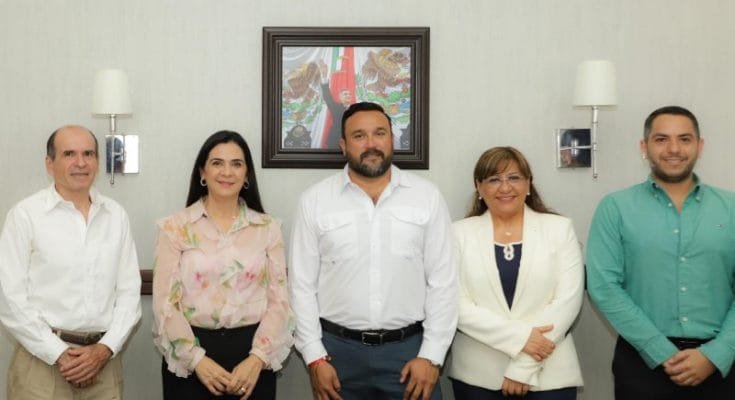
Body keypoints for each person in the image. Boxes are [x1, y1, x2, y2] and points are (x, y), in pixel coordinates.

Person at [289, 102, 457, 400]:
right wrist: (314, 357)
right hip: (336, 356)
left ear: (392, 139)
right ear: (343, 145)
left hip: (411, 355)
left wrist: (432, 356)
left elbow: (444, 282)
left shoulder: (426, 197)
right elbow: (300, 285)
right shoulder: (314, 201)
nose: (371, 144)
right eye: (359, 136)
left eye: (379, 133)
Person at [586, 105, 735, 399]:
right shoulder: (615, 208)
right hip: (642, 364)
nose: (674, 149)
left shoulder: (731, 208)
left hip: (722, 363)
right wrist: (660, 351)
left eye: (684, 139)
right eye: (661, 139)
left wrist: (717, 353)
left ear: (700, 146)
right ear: (644, 147)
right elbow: (603, 287)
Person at [0, 125, 142, 399]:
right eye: (69, 154)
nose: (81, 162)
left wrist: (104, 349)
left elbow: (129, 292)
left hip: (103, 363)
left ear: (98, 162)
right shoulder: (25, 215)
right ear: (49, 163)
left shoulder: (116, 216)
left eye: (88, 153)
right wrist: (59, 353)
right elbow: (10, 298)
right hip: (41, 364)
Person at [152, 130, 292, 400]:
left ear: (247, 175)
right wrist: (196, 360)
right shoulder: (174, 227)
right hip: (190, 358)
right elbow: (164, 305)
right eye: (217, 163)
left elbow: (280, 302)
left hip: (253, 358)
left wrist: (257, 358)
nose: (227, 172)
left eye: (236, 164)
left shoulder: (268, 228)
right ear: (202, 172)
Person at [448, 147, 584, 399]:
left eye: (514, 178)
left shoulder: (559, 229)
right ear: (479, 187)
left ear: (528, 184)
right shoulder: (457, 234)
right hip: (478, 376)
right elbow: (456, 304)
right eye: (494, 179)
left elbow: (567, 302)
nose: (505, 187)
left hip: (549, 374)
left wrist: (523, 368)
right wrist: (522, 339)